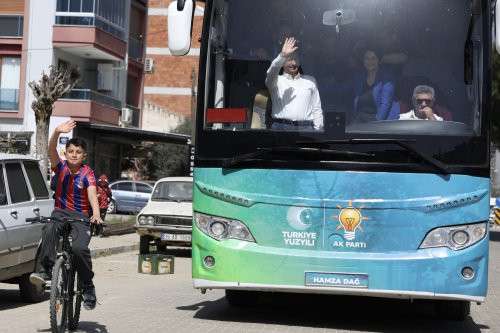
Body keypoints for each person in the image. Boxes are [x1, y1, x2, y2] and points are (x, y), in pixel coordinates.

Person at [30, 119, 103, 310]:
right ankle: (46, 271)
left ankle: (88, 286)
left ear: (84, 155)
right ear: (66, 153)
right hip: (60, 212)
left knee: (79, 249)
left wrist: (96, 214)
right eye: (70, 151)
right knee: (49, 229)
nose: (74, 155)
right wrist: (56, 132)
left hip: (80, 216)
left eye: (78, 152)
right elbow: (51, 149)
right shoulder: (59, 167)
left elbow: (92, 195)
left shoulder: (88, 173)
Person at [265, 37, 324, 131]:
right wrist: (282, 55)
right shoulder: (275, 80)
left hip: (306, 128)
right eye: (290, 59)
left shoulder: (310, 81)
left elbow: (316, 108)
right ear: (283, 63)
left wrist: (319, 130)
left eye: (296, 59)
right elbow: (271, 71)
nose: (293, 63)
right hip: (280, 128)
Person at [352, 48, 400, 123]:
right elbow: (356, 100)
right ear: (363, 61)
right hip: (361, 118)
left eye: (373, 58)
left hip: (380, 120)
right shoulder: (359, 78)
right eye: (367, 58)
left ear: (378, 60)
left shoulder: (387, 78)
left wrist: (376, 124)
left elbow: (385, 104)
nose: (370, 61)